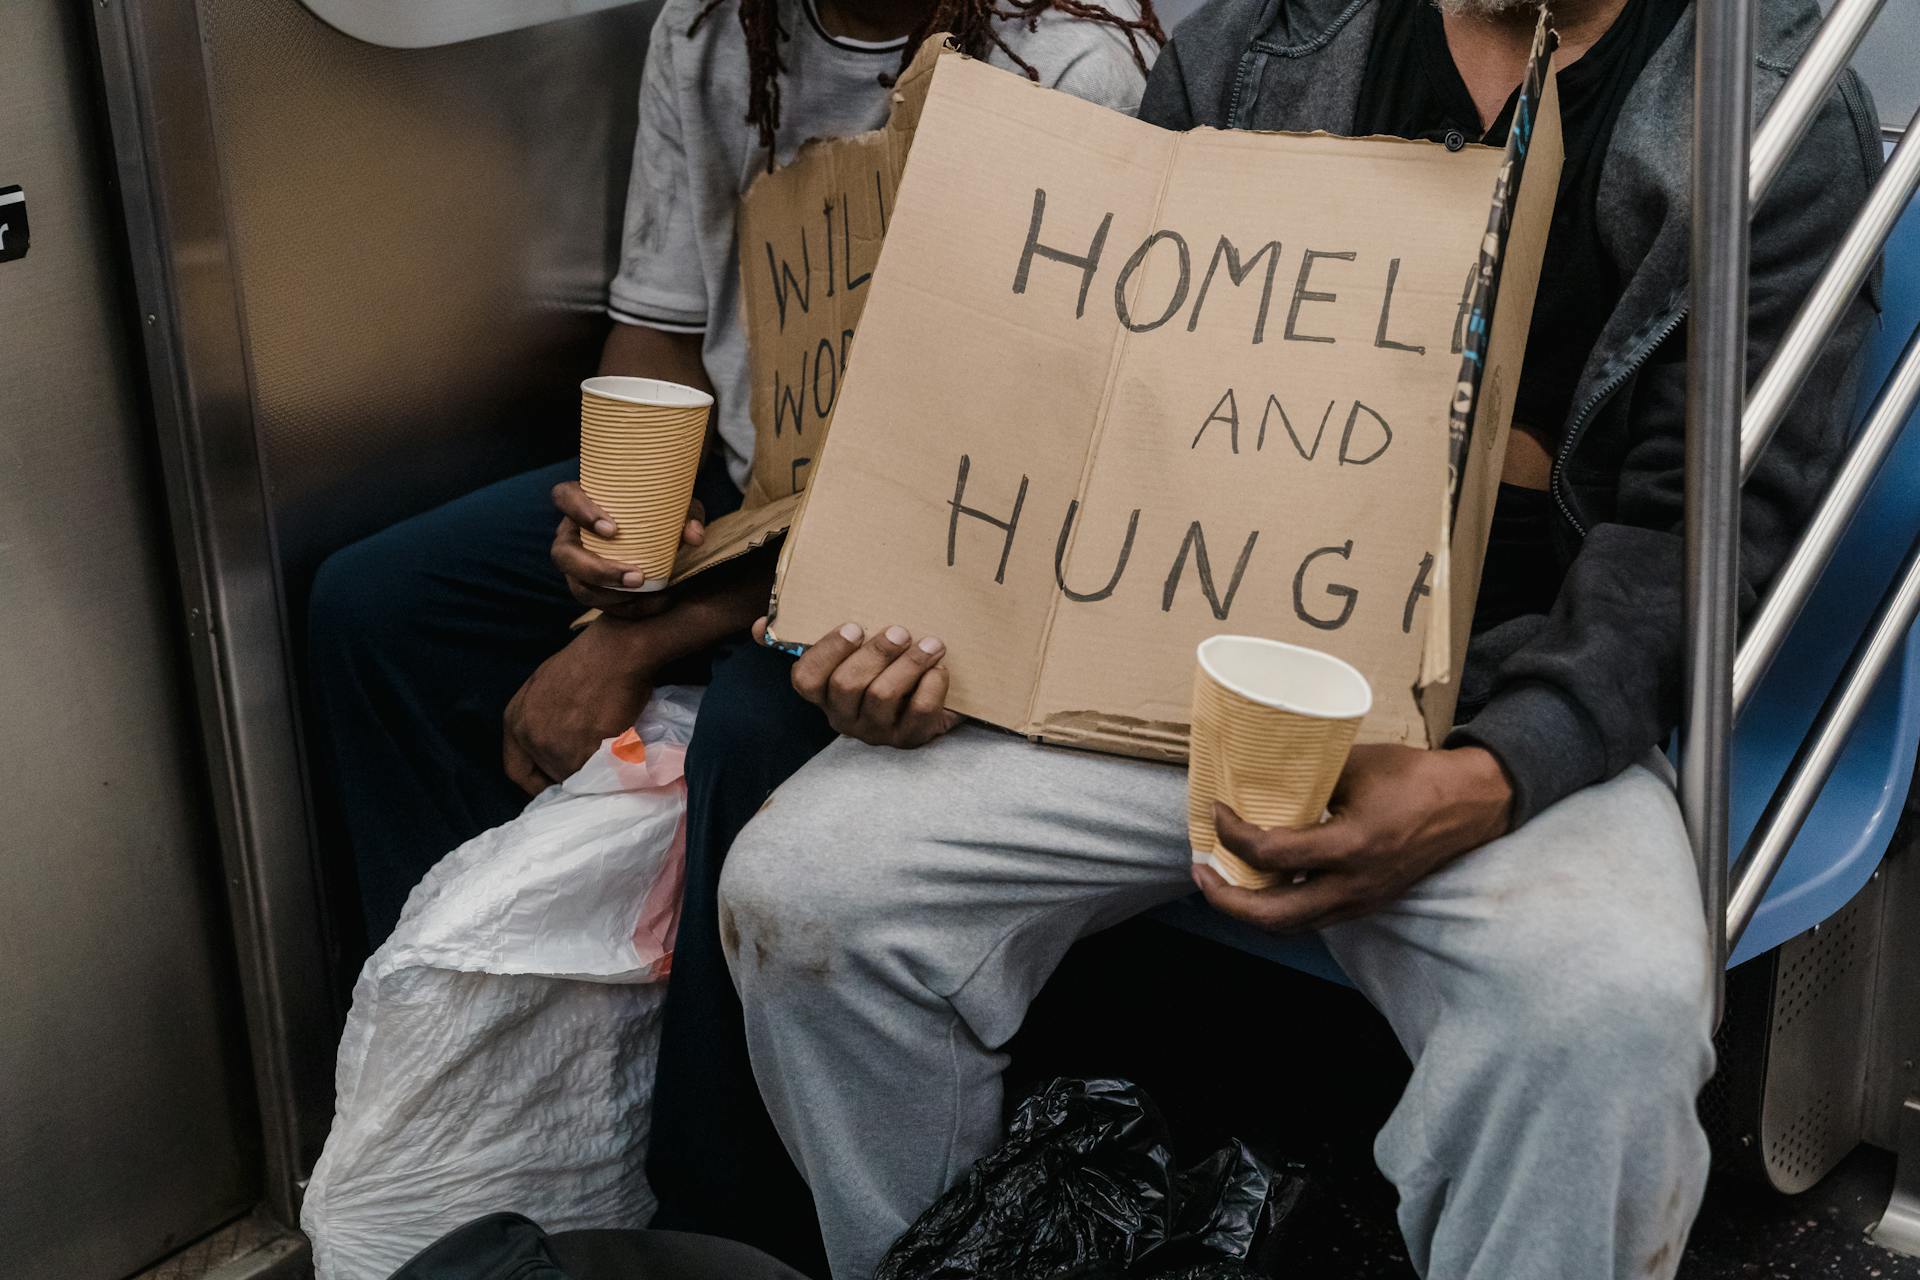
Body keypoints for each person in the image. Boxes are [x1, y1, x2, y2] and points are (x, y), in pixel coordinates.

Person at [711, 0, 1887, 1275]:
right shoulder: (1261, 43)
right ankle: (949, 1257)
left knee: (1607, 1014)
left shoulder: (1768, 106)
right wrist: (950, 639)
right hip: (1176, 641)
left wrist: (1492, 772)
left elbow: (1705, 537)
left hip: (1502, 694)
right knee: (810, 892)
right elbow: (1080, 406)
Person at [306, 0, 1161, 1271]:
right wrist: (618, 530)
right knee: (380, 608)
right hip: (753, 490)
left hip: (956, 526)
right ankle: (490, 1082)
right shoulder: (716, 31)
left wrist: (638, 640)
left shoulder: (1067, 59)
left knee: (761, 725)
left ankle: (718, 1210)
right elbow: (661, 322)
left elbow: (1004, 463)